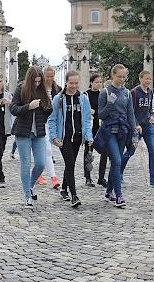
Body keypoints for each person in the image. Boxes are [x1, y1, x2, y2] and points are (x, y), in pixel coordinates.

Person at [48, 71, 93, 208]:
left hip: (78, 136)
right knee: (70, 163)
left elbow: (86, 119)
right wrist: (54, 136)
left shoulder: (83, 98)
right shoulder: (59, 99)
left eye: (76, 83)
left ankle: (63, 189)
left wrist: (89, 136)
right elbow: (52, 119)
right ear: (66, 82)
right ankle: (74, 195)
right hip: (64, 137)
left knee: (70, 164)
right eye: (71, 83)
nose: (74, 86)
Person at [97, 64, 139, 208]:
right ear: (112, 75)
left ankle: (109, 191)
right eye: (119, 76)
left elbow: (130, 115)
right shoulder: (105, 92)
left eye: (124, 77)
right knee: (116, 160)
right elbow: (100, 114)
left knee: (117, 162)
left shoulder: (127, 93)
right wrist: (110, 104)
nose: (121, 79)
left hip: (123, 131)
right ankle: (119, 195)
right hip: (109, 131)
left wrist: (135, 135)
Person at [11, 66, 52, 207]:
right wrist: (28, 106)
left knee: (41, 163)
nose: (37, 84)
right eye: (35, 81)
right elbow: (13, 108)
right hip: (23, 132)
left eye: (39, 81)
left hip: (38, 132)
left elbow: (49, 108)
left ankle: (31, 185)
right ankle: (28, 196)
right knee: (26, 164)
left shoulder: (42, 90)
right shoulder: (21, 89)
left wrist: (43, 117)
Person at [120, 70, 154, 188]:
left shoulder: (150, 92)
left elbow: (150, 107)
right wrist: (135, 125)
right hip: (136, 127)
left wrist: (152, 114)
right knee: (130, 151)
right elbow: (130, 111)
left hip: (148, 126)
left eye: (150, 79)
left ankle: (153, 179)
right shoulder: (134, 92)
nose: (148, 81)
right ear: (140, 78)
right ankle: (119, 173)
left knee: (153, 152)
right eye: (146, 79)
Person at [84, 74, 108, 187]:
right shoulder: (86, 95)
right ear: (91, 82)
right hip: (90, 128)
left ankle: (101, 177)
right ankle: (87, 177)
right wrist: (89, 111)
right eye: (96, 82)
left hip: (101, 128)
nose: (99, 84)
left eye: (100, 82)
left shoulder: (102, 94)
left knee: (105, 152)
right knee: (88, 153)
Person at [40, 66, 61, 189]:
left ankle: (41, 173)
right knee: (47, 149)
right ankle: (53, 176)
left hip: (53, 122)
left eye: (51, 76)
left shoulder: (58, 90)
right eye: (47, 76)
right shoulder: (39, 88)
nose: (49, 78)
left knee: (47, 149)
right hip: (42, 122)